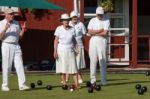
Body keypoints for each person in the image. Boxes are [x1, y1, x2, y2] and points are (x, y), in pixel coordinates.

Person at [0, 8, 30, 91]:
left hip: (16, 45)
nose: (12, 15)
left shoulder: (16, 23)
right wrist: (6, 28)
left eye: (12, 14)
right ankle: (5, 85)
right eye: (10, 14)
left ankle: (22, 85)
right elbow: (0, 37)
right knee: (7, 66)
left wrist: (23, 30)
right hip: (6, 45)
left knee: (19, 65)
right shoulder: (1, 23)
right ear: (5, 14)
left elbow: (19, 37)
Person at [53, 13, 79, 88]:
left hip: (70, 50)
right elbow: (56, 40)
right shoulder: (58, 29)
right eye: (64, 20)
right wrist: (55, 51)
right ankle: (64, 83)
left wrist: (76, 48)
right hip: (61, 50)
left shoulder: (72, 29)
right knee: (62, 68)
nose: (66, 21)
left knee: (73, 67)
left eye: (67, 20)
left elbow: (74, 40)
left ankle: (76, 84)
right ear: (62, 21)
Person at [87, 7, 110, 86]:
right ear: (96, 13)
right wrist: (100, 30)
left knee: (102, 60)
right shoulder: (92, 20)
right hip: (93, 41)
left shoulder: (106, 20)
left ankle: (103, 81)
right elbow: (89, 31)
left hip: (102, 40)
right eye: (99, 14)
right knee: (93, 61)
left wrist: (94, 33)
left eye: (101, 14)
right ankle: (93, 80)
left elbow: (105, 33)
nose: (100, 15)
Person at [65, 11, 86, 84]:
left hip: (79, 46)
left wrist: (78, 43)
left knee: (78, 63)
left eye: (75, 17)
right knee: (69, 62)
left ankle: (79, 77)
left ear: (77, 17)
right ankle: (67, 77)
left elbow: (84, 36)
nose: (74, 18)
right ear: (71, 18)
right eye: (73, 17)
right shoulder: (68, 24)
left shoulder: (81, 24)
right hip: (70, 46)